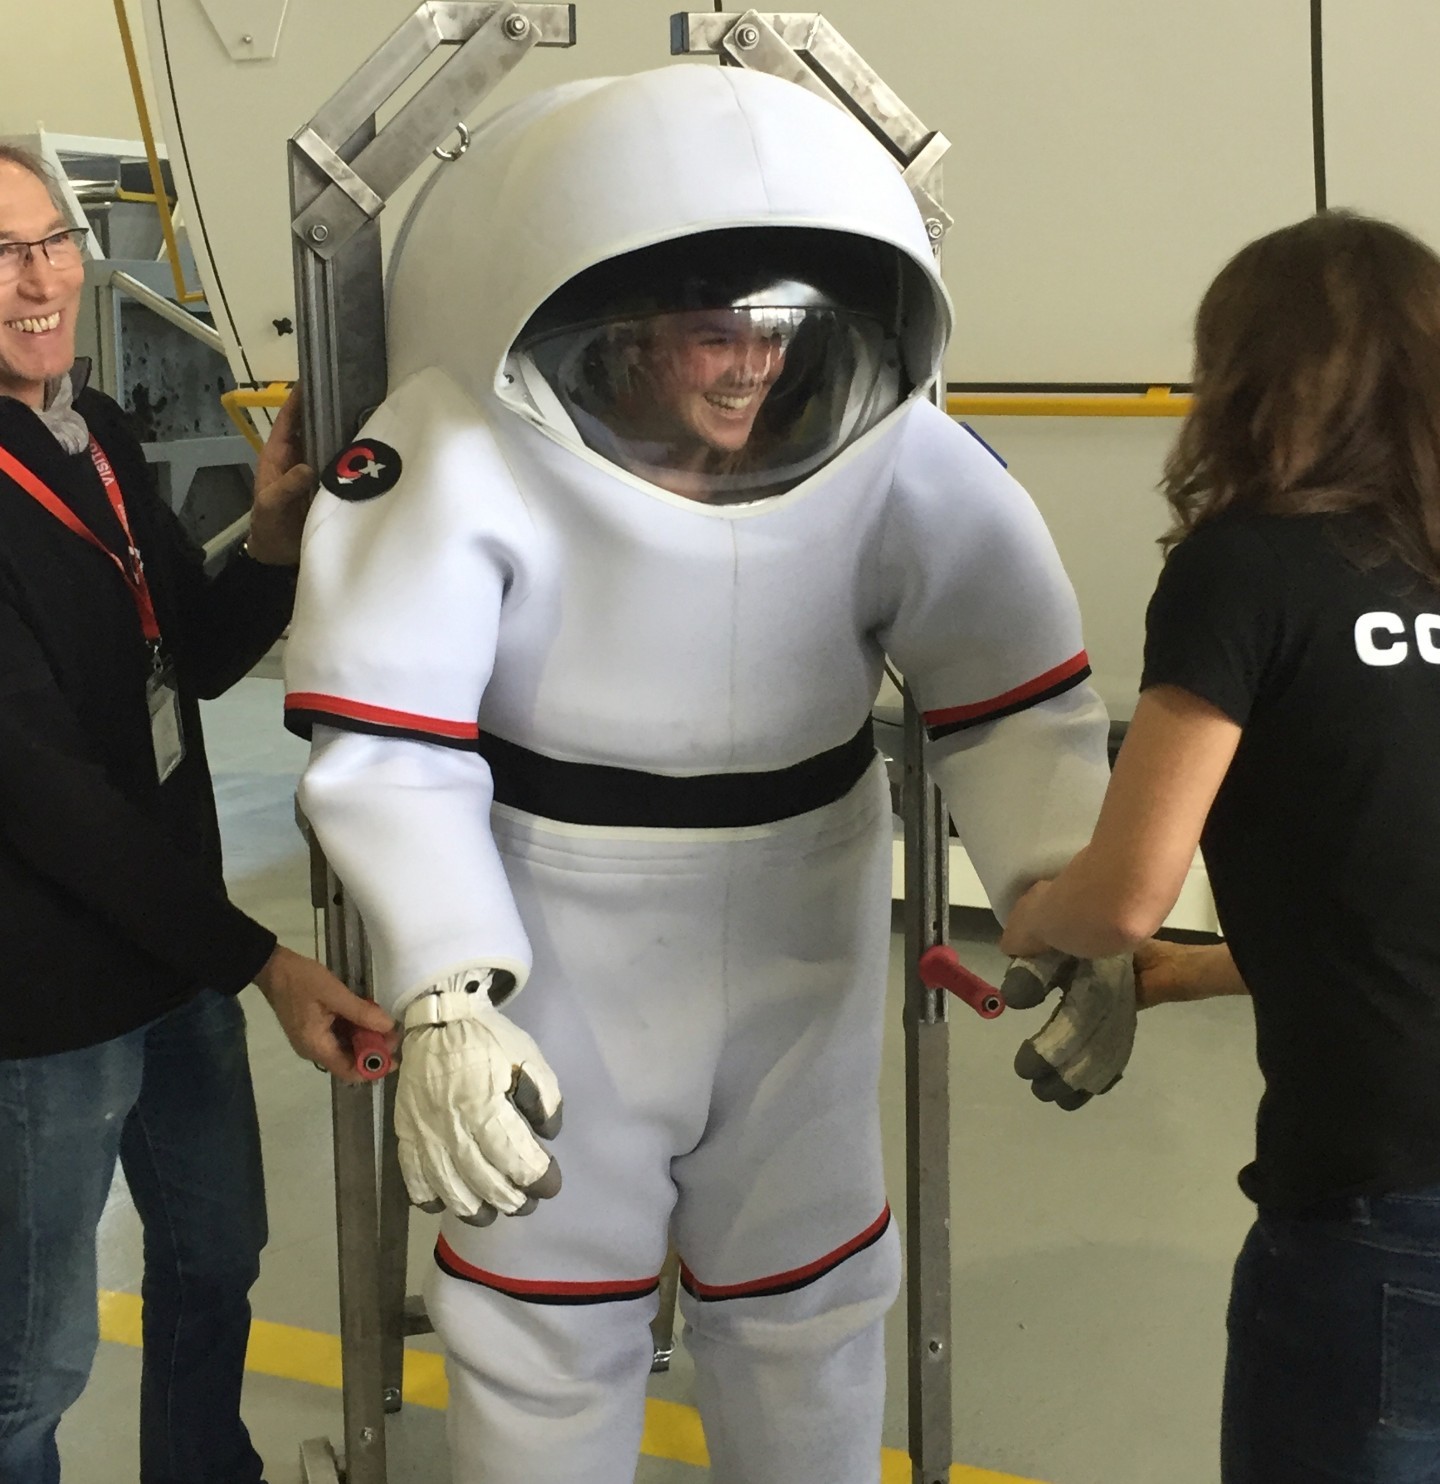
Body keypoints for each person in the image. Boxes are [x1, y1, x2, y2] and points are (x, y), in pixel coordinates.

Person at [283, 66, 1132, 1483]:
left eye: (781, 331)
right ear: (597, 331)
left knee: (811, 1305)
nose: (749, 364)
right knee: (541, 1330)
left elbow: (1014, 699)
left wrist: (1077, 906)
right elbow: (392, 750)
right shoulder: (464, 455)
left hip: (806, 927)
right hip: (556, 940)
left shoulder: (892, 455)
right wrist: (443, 982)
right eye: (702, 331)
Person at [1000, 211, 1440, 1483]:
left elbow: (1126, 893)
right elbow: (1396, 869)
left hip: (1381, 1189)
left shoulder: (1243, 569)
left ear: (1242, 378)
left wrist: (1035, 914)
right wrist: (1208, 970)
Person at [0, 144, 395, 1484]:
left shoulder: (92, 429)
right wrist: (260, 961)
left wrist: (276, 539)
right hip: (44, 1002)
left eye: (49, 240)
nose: (39, 277)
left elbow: (191, 656)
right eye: (0, 256)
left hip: (168, 953)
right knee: (33, 1359)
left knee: (217, 1254)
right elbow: (51, 806)